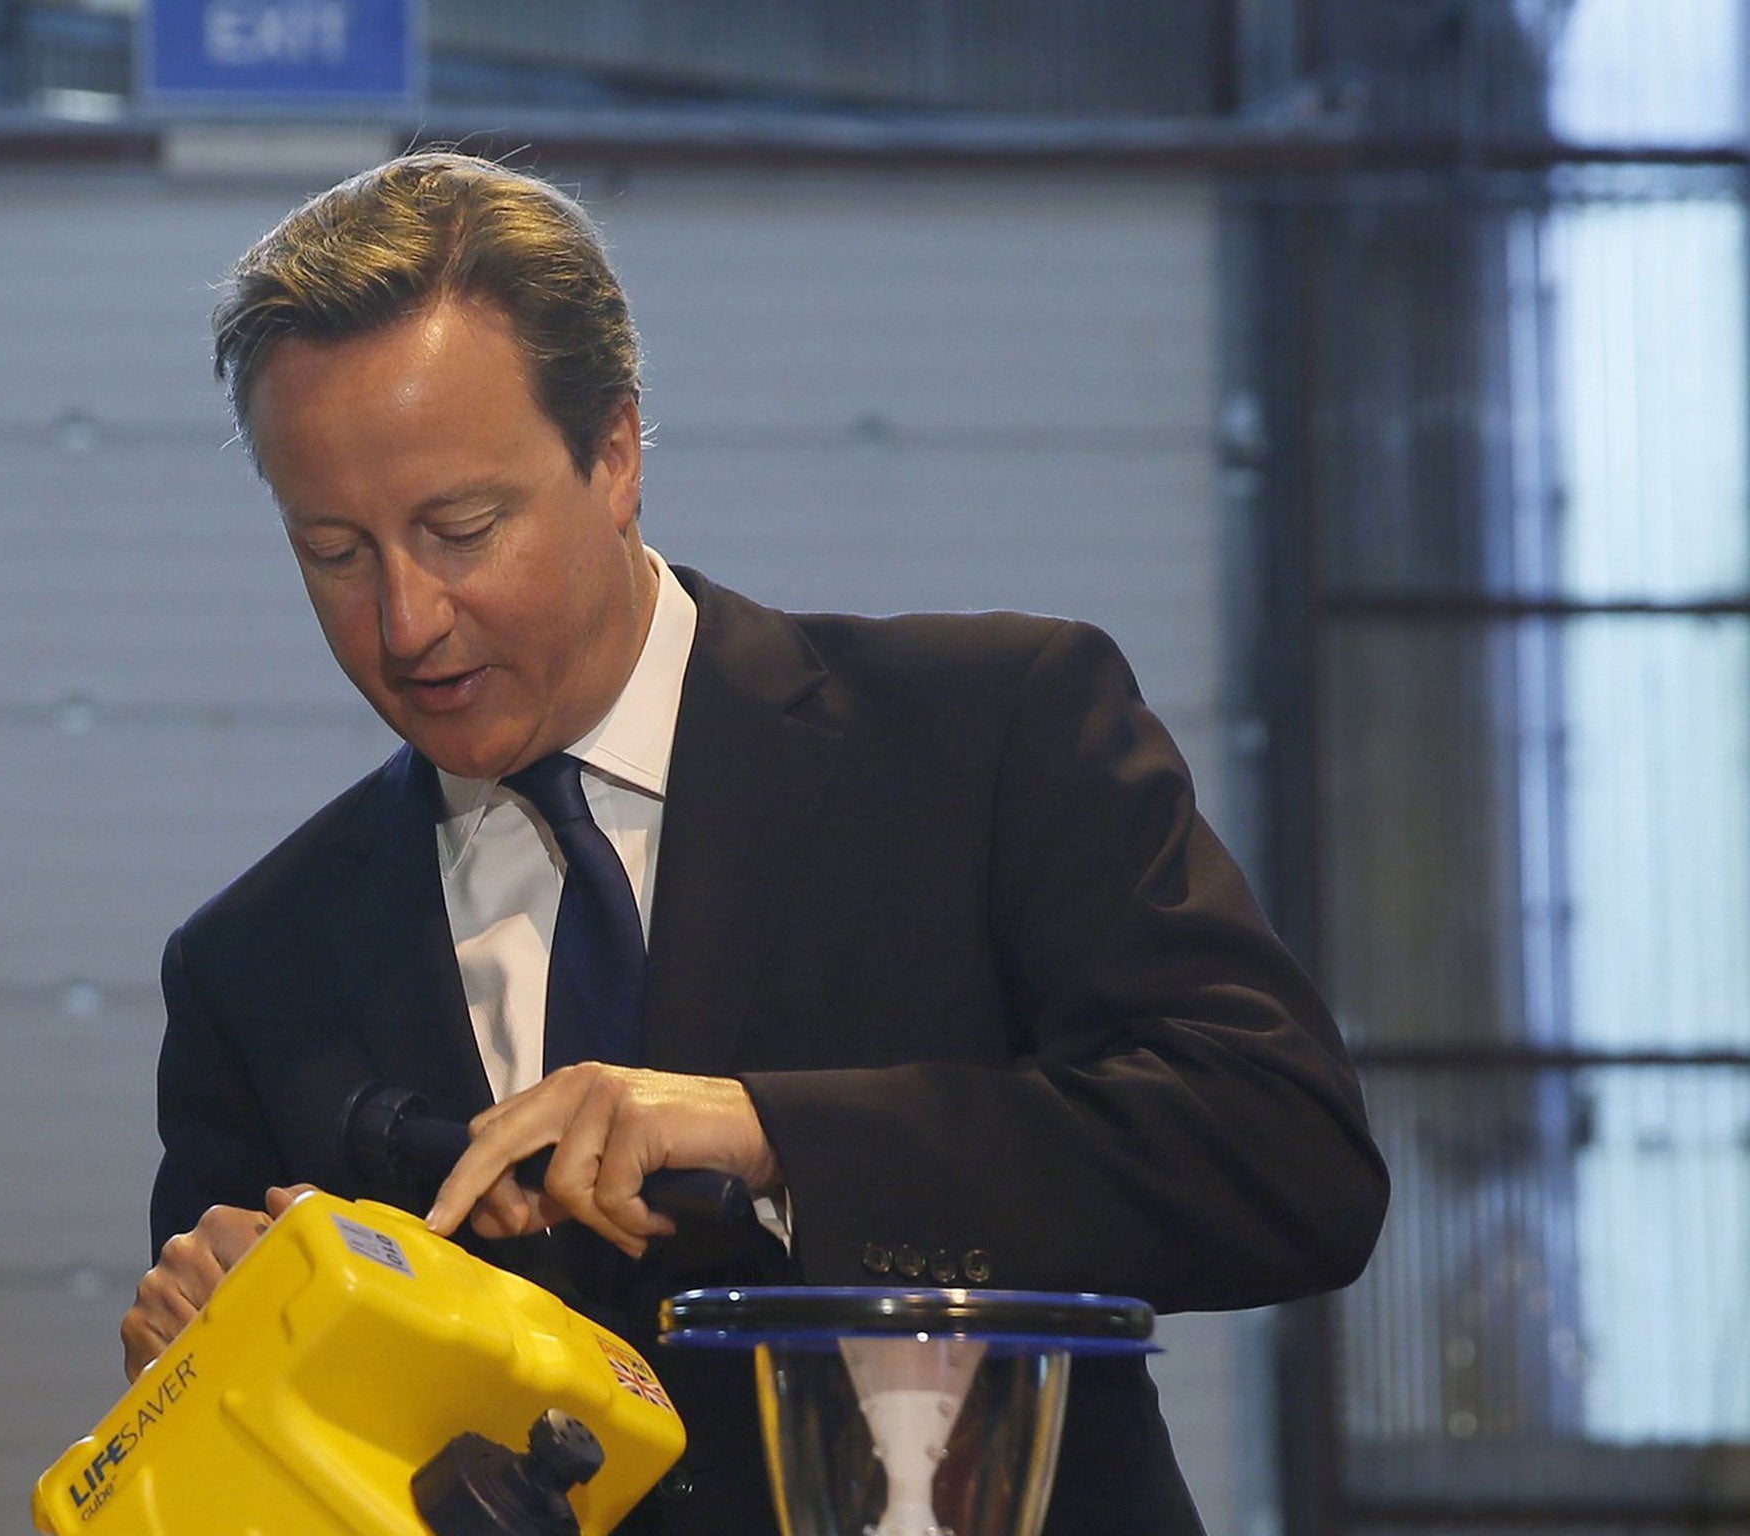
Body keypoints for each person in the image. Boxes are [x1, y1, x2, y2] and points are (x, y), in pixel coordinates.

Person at [118, 150, 1387, 1536]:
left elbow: (1287, 1161)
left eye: (461, 528)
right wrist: (208, 1376)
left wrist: (775, 1134)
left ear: (615, 454)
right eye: (335, 553)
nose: (406, 621)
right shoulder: (260, 967)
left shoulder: (988, 735)